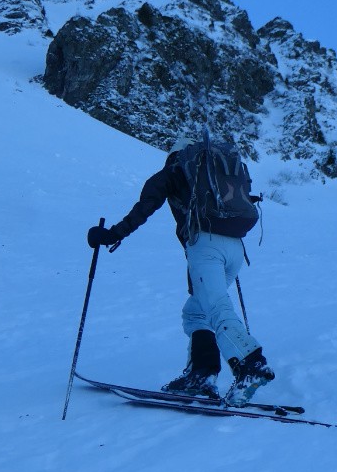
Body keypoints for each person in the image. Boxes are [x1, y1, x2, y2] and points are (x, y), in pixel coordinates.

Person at [87, 130, 275, 404]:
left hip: (205, 247)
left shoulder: (175, 170)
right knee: (197, 312)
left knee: (217, 309)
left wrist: (112, 235)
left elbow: (145, 207)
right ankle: (201, 374)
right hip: (235, 246)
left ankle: (251, 364)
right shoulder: (218, 171)